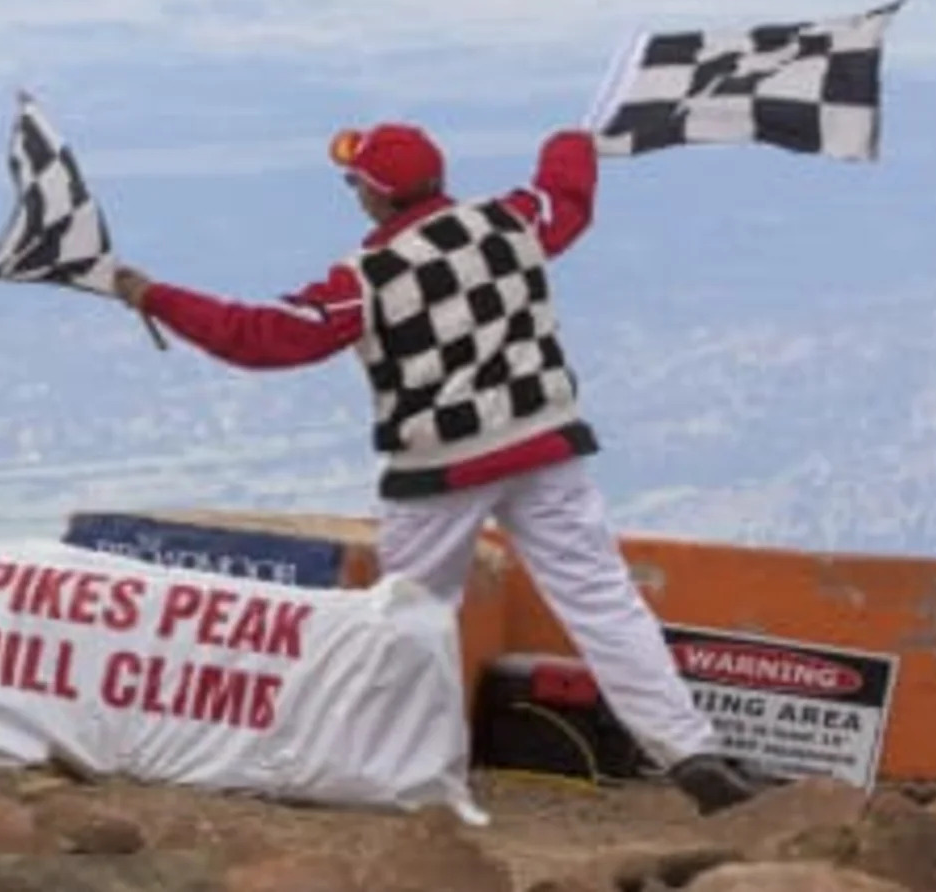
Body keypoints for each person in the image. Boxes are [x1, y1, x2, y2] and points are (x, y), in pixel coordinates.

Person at [102, 119, 783, 815]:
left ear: (374, 196)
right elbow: (567, 197)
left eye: (355, 183)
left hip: (438, 476)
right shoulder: (511, 222)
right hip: (545, 447)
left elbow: (265, 338)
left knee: (409, 625)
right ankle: (690, 750)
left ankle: (384, 770)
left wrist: (152, 295)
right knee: (605, 603)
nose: (354, 194)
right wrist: (572, 138)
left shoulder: (365, 279)